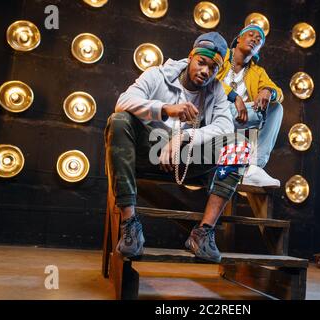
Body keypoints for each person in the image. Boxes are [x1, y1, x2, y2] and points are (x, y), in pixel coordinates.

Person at [104, 32, 248, 263]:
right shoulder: (157, 75)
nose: (205, 72)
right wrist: (166, 109)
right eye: (201, 62)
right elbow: (123, 102)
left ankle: (203, 233)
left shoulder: (217, 91)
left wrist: (184, 136)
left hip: (187, 159)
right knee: (119, 121)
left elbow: (224, 126)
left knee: (239, 145)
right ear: (191, 56)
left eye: (212, 68)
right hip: (149, 151)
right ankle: (130, 224)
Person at [216, 24, 284, 187]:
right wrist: (234, 96)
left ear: (259, 49)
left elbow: (279, 93)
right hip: (212, 110)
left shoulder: (257, 71)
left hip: (239, 116)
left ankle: (254, 167)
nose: (254, 39)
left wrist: (268, 91)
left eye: (259, 40)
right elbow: (208, 78)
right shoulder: (221, 56)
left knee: (275, 108)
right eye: (251, 35)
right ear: (238, 39)